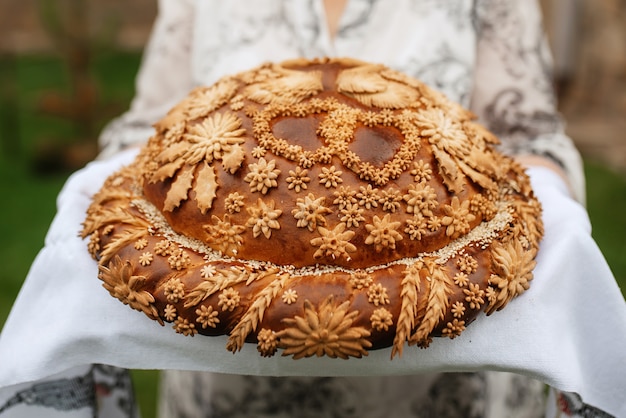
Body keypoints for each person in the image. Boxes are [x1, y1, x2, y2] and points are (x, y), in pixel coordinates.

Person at [3, 0, 622, 417]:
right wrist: (105, 187)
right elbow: (150, 126)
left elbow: (531, 134)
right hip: (225, 376)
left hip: (444, 382)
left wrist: (548, 207)